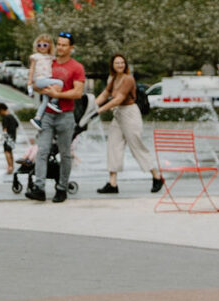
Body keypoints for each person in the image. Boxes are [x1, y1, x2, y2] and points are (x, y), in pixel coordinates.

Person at [94, 55, 163, 196]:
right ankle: (112, 183)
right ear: (112, 65)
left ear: (125, 65)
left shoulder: (128, 79)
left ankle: (156, 177)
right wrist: (92, 105)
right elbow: (105, 93)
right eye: (116, 63)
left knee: (136, 146)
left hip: (130, 114)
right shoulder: (114, 78)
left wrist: (100, 110)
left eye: (122, 62)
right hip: (118, 115)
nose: (119, 65)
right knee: (113, 146)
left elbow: (119, 99)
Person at [30, 34, 85, 202]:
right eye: (59, 44)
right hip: (47, 114)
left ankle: (62, 187)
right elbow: (36, 83)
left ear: (71, 48)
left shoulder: (76, 67)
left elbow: (78, 92)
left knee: (65, 153)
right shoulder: (48, 62)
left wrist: (58, 94)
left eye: (64, 45)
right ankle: (39, 188)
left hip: (66, 115)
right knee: (42, 151)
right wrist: (42, 90)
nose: (60, 47)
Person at [0, 100, 22, 193]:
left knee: (6, 152)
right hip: (13, 136)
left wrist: (3, 137)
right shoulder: (12, 116)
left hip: (8, 137)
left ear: (1, 110)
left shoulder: (5, 118)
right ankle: (12, 166)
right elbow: (17, 125)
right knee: (10, 151)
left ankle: (9, 166)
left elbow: (4, 129)